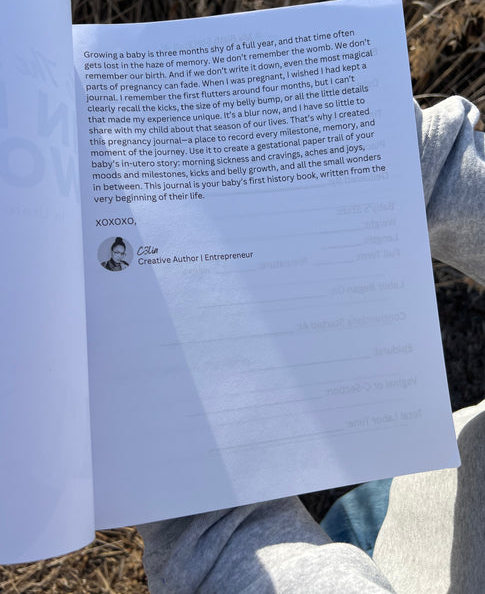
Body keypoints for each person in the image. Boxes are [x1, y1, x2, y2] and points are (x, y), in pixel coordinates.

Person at [137, 97, 485, 593]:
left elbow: (220, 537)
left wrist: (197, 513)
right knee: (370, 510)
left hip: (399, 556)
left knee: (363, 521)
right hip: (442, 489)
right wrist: (409, 159)